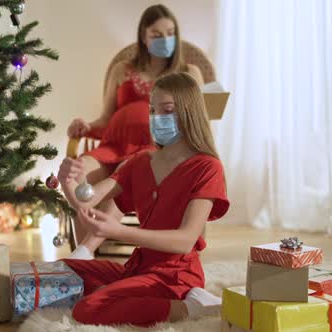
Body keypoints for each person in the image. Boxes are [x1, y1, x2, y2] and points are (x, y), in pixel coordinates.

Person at [58, 72, 228, 326]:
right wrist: (68, 182)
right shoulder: (139, 162)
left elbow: (185, 241)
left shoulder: (207, 167)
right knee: (64, 269)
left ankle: (190, 307)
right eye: (152, 110)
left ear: (189, 112)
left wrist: (120, 231)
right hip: (137, 268)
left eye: (167, 110)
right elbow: (87, 201)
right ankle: (130, 294)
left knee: (89, 308)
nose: (157, 118)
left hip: (175, 274)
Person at [66, 4, 205, 252]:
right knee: (78, 173)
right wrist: (86, 127)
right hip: (113, 144)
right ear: (144, 36)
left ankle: (84, 252)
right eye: (157, 34)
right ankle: (84, 252)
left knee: (126, 174)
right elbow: (106, 119)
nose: (165, 39)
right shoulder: (123, 69)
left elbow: (197, 120)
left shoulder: (188, 73)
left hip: (153, 150)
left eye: (170, 33)